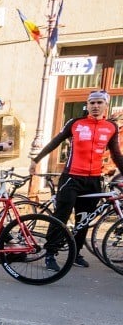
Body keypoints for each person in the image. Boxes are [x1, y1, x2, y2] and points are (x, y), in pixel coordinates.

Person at [30, 89, 123, 269]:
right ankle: (50, 253)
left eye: (99, 103)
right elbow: (55, 141)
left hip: (94, 180)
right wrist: (36, 160)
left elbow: (116, 154)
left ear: (106, 105)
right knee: (61, 216)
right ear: (87, 105)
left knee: (84, 219)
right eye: (92, 103)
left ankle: (75, 253)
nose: (95, 106)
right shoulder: (76, 123)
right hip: (71, 178)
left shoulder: (111, 127)